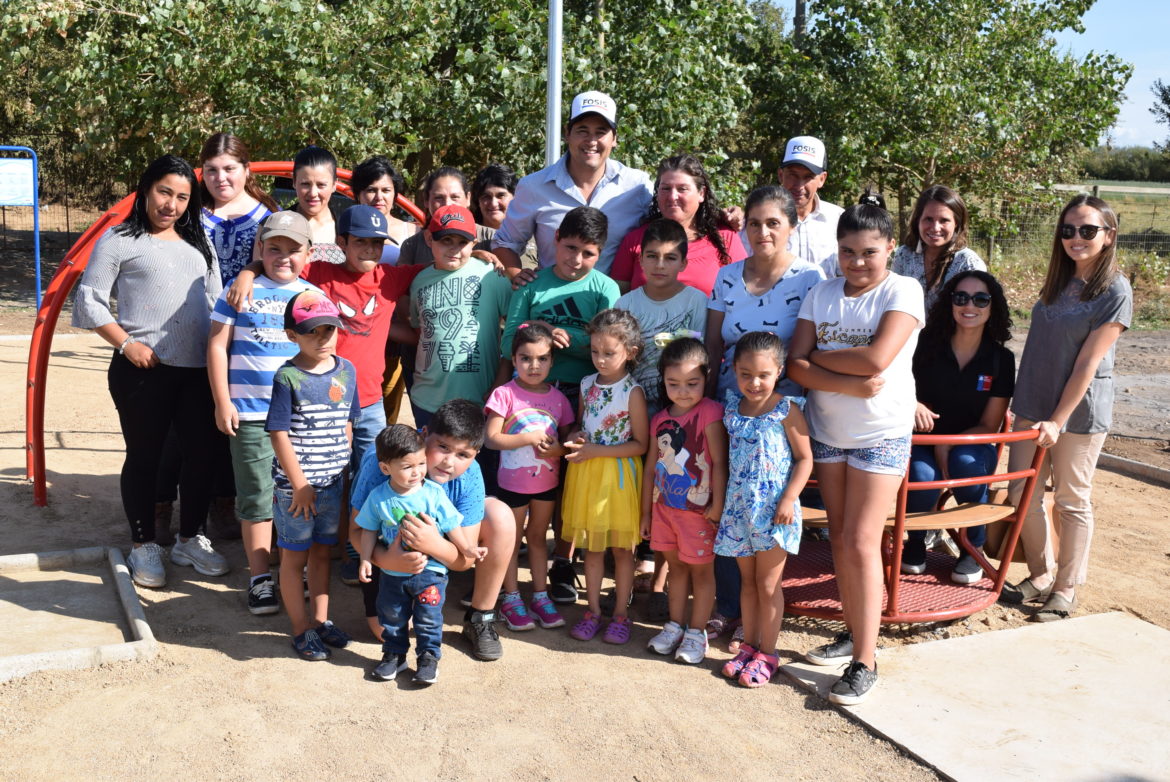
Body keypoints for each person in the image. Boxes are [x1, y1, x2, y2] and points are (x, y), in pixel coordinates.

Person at [787, 192, 925, 705]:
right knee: (842, 540)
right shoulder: (821, 293)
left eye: (869, 251)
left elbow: (877, 358)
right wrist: (838, 377)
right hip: (828, 433)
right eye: (848, 251)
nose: (858, 262)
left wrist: (821, 358)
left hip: (881, 435)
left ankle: (865, 660)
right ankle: (854, 630)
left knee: (864, 542)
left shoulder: (904, 290)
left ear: (889, 247)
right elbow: (793, 364)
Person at [72, 154, 228, 589]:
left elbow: (216, 302)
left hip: (197, 371)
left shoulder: (200, 244)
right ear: (145, 190)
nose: (171, 205)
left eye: (182, 197)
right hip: (143, 370)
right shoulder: (119, 239)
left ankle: (190, 538)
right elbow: (90, 300)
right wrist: (126, 343)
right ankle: (143, 544)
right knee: (146, 457)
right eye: (164, 192)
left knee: (202, 456)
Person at [1001, 195, 1131, 621]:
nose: (1076, 238)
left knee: (1072, 500)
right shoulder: (1059, 281)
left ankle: (1067, 586)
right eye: (1068, 230)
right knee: (1023, 493)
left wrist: (1057, 419)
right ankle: (1041, 574)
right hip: (1031, 406)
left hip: (1077, 414)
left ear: (1109, 236)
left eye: (1088, 230)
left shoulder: (1115, 289)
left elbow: (1088, 363)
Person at [498, 206, 619, 603]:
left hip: (586, 395)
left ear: (601, 252)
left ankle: (562, 563)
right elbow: (506, 343)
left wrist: (573, 339)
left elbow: (610, 346)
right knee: (527, 474)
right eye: (569, 248)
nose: (576, 260)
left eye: (588, 252)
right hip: (531, 397)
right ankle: (507, 566)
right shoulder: (533, 286)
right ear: (554, 241)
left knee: (571, 481)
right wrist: (544, 335)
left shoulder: (605, 289)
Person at [207, 211, 323, 615]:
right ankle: (259, 576)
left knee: (297, 491)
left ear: (309, 253)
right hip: (251, 413)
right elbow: (218, 346)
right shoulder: (239, 290)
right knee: (257, 495)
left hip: (299, 420)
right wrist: (223, 402)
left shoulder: (312, 298)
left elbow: (325, 355)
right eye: (274, 248)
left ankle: (297, 566)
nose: (283, 257)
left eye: (294, 250)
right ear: (260, 249)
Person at [351, 400, 517, 662]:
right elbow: (355, 532)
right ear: (424, 434)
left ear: (475, 455)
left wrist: (432, 544)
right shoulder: (383, 461)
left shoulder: (470, 475)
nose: (449, 462)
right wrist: (385, 559)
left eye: (463, 455)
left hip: (437, 555)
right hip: (387, 556)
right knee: (386, 633)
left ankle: (480, 617)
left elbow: (466, 559)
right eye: (443, 447)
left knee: (501, 517)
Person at [903, 270, 1015, 583]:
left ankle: (971, 547)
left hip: (970, 443)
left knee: (966, 464)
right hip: (920, 441)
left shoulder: (1000, 359)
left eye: (981, 299)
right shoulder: (923, 346)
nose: (970, 305)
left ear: (993, 307)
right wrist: (913, 404)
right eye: (961, 297)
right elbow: (897, 383)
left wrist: (948, 442)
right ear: (950, 303)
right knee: (922, 476)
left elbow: (990, 425)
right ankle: (914, 542)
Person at [266, 290, 358, 661]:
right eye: (311, 332)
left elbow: (348, 422)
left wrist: (344, 467)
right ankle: (301, 629)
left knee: (323, 554)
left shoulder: (347, 370)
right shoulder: (287, 377)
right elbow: (278, 433)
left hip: (333, 483)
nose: (322, 339)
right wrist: (300, 485)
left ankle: (320, 621)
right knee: (294, 558)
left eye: (329, 330)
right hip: (297, 490)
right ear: (292, 335)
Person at [716, 332, 812, 687]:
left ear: (778, 372)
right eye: (745, 374)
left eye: (762, 375)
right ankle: (750, 646)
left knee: (769, 584)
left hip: (774, 511)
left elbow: (804, 459)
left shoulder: (788, 409)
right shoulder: (731, 409)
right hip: (738, 509)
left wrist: (788, 499)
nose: (753, 383)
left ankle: (768, 652)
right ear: (734, 371)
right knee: (748, 582)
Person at [492, 90, 653, 276]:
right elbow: (505, 243)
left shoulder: (638, 186)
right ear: (567, 133)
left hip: (617, 303)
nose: (591, 141)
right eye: (582, 130)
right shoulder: (533, 186)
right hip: (551, 302)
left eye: (600, 132)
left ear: (614, 138)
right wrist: (517, 277)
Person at [562, 309, 649, 644]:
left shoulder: (633, 392)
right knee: (592, 550)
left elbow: (640, 444)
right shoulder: (586, 384)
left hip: (619, 479)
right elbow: (580, 426)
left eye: (609, 353)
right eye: (595, 351)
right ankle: (593, 611)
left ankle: (621, 616)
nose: (600, 359)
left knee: (623, 551)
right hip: (587, 477)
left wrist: (596, 451)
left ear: (631, 351)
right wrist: (578, 435)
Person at [356, 425, 465, 684]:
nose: (416, 472)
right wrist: (364, 558)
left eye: (421, 463)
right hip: (392, 575)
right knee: (392, 616)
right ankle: (394, 655)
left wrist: (467, 548)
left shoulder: (433, 493)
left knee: (428, 619)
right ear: (386, 469)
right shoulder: (377, 497)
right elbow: (368, 530)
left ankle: (428, 658)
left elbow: (452, 524)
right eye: (407, 467)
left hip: (431, 573)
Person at [640, 336, 727, 664]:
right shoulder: (659, 418)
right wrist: (646, 512)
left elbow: (718, 463)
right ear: (663, 379)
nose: (683, 390)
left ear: (706, 378)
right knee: (676, 569)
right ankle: (674, 626)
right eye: (673, 383)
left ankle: (696, 632)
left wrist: (716, 506)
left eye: (693, 383)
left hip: (699, 512)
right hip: (665, 509)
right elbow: (651, 466)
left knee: (701, 573)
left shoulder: (711, 412)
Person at [485, 323, 575, 631]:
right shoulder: (504, 394)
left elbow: (566, 442)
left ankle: (540, 595)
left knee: (538, 539)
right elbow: (491, 439)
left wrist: (560, 450)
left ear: (552, 361)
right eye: (525, 358)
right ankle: (511, 597)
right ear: (513, 358)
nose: (534, 366)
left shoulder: (559, 399)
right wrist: (527, 438)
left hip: (547, 485)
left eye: (542, 359)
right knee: (510, 541)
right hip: (512, 486)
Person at [707, 185, 825, 400]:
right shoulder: (726, 276)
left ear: (792, 227)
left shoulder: (809, 278)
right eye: (754, 224)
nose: (762, 233)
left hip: (784, 411)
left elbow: (818, 350)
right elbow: (713, 346)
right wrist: (706, 403)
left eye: (773, 223)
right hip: (727, 404)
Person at [409, 204, 512, 428]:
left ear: (474, 243)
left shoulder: (492, 274)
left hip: (480, 399)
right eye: (446, 240)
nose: (454, 249)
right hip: (427, 400)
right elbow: (420, 331)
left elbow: (514, 330)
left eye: (462, 242)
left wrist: (501, 381)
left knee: (478, 462)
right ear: (429, 239)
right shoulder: (419, 281)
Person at [610, 154, 747, 296]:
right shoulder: (635, 240)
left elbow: (744, 296)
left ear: (701, 193)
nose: (672, 196)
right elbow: (618, 299)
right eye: (666, 188)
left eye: (682, 189)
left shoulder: (724, 238)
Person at [615, 219, 708, 415]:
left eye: (670, 258)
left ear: (683, 263)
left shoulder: (696, 301)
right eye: (652, 256)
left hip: (682, 404)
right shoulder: (625, 304)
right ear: (640, 260)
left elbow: (702, 354)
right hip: (633, 404)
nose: (660, 265)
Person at [892, 185, 987, 311]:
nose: (935, 227)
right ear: (918, 221)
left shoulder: (968, 264)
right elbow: (892, 301)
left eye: (944, 220)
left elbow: (976, 312)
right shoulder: (904, 255)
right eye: (928, 219)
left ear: (956, 223)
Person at [199, 132, 278, 284]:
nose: (221, 178)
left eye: (229, 169)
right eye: (212, 170)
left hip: (248, 305)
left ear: (246, 169)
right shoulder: (188, 213)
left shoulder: (270, 214)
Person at [399, 167, 497, 265]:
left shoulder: (492, 238)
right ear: (426, 200)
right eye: (439, 198)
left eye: (455, 197)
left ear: (468, 198)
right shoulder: (412, 246)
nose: (447, 204)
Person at [776, 135, 844, 274]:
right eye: (793, 175)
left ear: (822, 179)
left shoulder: (839, 219)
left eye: (808, 177)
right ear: (781, 175)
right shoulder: (759, 221)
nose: (799, 185)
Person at [349, 155, 418, 264]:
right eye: (371, 190)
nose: (379, 197)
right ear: (358, 194)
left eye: (386, 190)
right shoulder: (345, 229)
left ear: (395, 194)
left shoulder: (413, 233)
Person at [288, 146, 346, 265]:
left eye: (321, 185)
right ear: (294, 182)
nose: (313, 193)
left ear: (334, 184)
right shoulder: (277, 224)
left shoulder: (349, 226)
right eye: (305, 184)